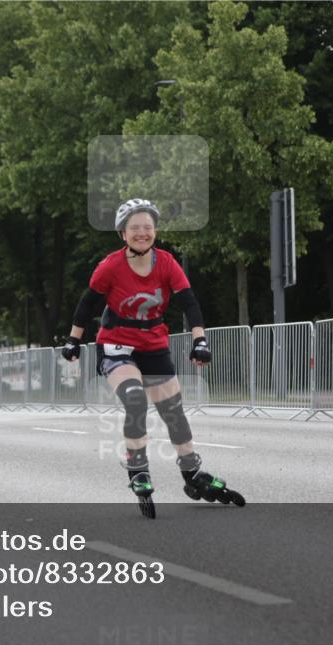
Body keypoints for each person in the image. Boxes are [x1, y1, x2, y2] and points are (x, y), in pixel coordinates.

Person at [60, 198, 244, 518]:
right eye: (135, 228)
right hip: (117, 344)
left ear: (155, 231)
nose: (142, 233)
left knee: (174, 413)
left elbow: (190, 303)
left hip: (154, 344)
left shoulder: (167, 263)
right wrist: (74, 341)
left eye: (147, 227)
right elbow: (87, 304)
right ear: (123, 233)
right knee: (135, 400)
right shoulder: (110, 266)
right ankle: (138, 468)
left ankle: (192, 473)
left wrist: (200, 340)